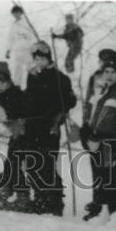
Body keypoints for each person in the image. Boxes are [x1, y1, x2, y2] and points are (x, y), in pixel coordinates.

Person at [81, 49, 116, 222]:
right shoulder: (99, 88)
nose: (109, 75)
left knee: (115, 176)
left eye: (113, 72)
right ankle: (100, 208)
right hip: (96, 139)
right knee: (99, 174)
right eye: (106, 71)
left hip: (113, 141)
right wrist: (86, 130)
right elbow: (90, 111)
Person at [22, 40, 76, 215]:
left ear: (48, 58)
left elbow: (69, 100)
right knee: (32, 163)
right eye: (36, 58)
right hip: (32, 126)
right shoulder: (32, 75)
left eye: (42, 58)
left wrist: (59, 108)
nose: (39, 62)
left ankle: (54, 201)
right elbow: (29, 98)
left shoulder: (59, 78)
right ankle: (38, 197)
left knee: (47, 164)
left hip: (49, 127)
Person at [0, 68, 27, 207]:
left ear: (8, 82)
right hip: (4, 134)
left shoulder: (14, 93)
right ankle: (6, 190)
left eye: (3, 82)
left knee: (14, 163)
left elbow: (14, 111)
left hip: (18, 133)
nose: (0, 85)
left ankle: (21, 194)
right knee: (5, 162)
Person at [6, 5, 35, 89]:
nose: (16, 14)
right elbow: (10, 38)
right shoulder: (13, 25)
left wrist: (32, 47)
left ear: (20, 13)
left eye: (17, 12)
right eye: (14, 13)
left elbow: (31, 35)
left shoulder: (26, 22)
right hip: (18, 50)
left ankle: (32, 86)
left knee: (30, 67)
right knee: (18, 69)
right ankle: (17, 87)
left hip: (27, 48)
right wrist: (8, 50)